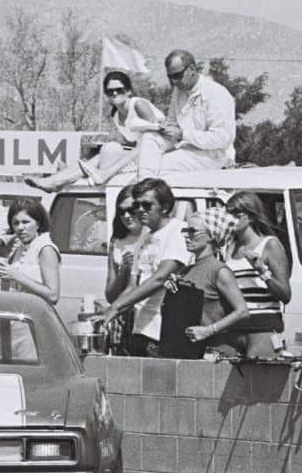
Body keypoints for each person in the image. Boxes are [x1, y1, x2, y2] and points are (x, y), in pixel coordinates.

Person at [27, 71, 166, 192]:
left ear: (128, 91)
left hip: (157, 152)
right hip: (138, 153)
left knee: (109, 150)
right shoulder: (116, 115)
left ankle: (58, 180)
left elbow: (154, 134)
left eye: (119, 89)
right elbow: (132, 142)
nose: (114, 93)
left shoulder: (138, 104)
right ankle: (60, 179)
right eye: (110, 91)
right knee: (106, 150)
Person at [100, 178, 191, 356]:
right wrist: (109, 311)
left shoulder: (179, 231)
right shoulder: (144, 239)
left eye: (147, 205)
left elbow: (159, 278)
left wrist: (115, 308)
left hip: (167, 330)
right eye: (137, 205)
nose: (140, 210)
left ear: (164, 207)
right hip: (142, 328)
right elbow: (132, 286)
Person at [157, 207, 249, 358]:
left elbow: (242, 312)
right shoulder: (185, 271)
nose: (187, 236)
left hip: (215, 353)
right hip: (189, 352)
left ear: (211, 236)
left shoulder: (219, 271)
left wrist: (208, 330)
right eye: (185, 231)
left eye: (193, 231)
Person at [136, 50, 236, 178]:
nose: (174, 81)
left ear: (192, 69)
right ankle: (144, 187)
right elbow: (173, 121)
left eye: (177, 75)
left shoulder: (215, 93)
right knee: (149, 137)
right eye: (170, 77)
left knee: (159, 167)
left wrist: (183, 135)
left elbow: (222, 138)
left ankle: (145, 190)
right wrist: (164, 127)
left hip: (211, 155)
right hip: (185, 149)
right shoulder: (179, 91)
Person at [222, 191, 292, 357]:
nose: (230, 219)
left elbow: (285, 295)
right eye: (227, 214)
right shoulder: (228, 248)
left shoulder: (270, 245)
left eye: (236, 214)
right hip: (235, 327)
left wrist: (262, 271)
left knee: (262, 379)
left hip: (263, 327)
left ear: (251, 217)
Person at [0, 198, 60, 306]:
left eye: (25, 222)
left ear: (38, 223)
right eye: (16, 223)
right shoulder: (21, 247)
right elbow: (3, 269)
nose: (20, 228)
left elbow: (53, 296)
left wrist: (18, 276)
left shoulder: (45, 248)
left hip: (35, 316)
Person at [103, 185, 148, 353]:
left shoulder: (152, 236)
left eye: (131, 210)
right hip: (122, 315)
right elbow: (110, 295)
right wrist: (124, 271)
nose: (126, 216)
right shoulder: (117, 241)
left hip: (145, 314)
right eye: (122, 211)